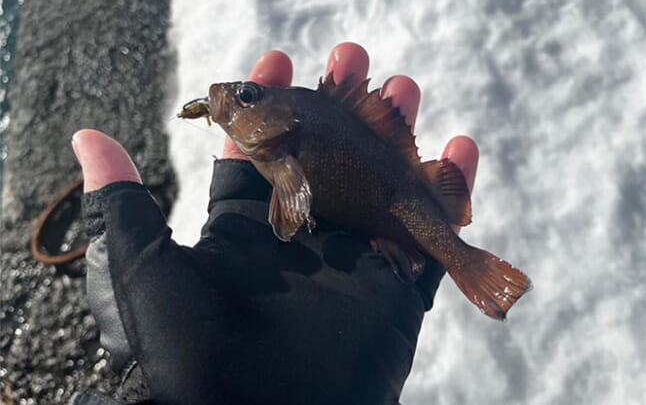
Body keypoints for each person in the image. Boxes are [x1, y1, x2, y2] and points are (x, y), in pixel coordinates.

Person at [71, 42, 479, 405]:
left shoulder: (292, 139)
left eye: (247, 97)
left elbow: (294, 195)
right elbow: (293, 196)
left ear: (284, 118)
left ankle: (467, 263)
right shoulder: (287, 134)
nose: (229, 97)